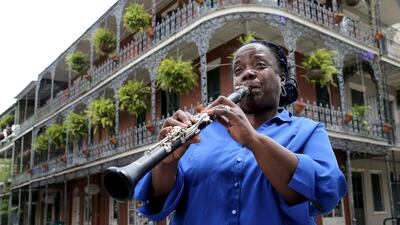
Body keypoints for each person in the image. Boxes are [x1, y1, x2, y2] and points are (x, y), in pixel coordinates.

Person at [134, 40, 347, 225]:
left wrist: (253, 140)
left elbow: (326, 191)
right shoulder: (199, 132)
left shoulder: (308, 130)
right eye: (238, 70)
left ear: (282, 78)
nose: (247, 73)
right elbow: (160, 200)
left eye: (260, 65)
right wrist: (166, 163)